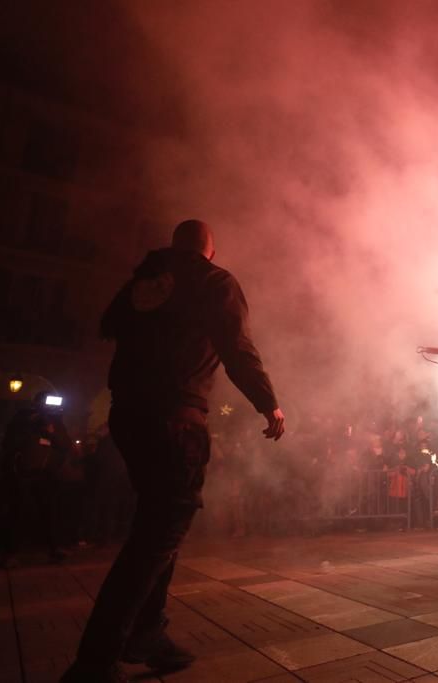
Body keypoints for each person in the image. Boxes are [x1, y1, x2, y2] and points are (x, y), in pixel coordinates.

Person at [62, 220, 285, 683]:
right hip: (175, 418)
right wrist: (269, 403)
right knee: (155, 536)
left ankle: (146, 632)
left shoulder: (146, 282)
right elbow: (236, 345)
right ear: (209, 247)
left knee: (158, 523)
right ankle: (96, 660)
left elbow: (111, 326)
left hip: (129, 414)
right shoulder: (214, 281)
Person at [0, 391, 72, 566]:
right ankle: (11, 553)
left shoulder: (56, 422)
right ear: (37, 402)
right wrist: (31, 424)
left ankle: (54, 549)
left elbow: (65, 445)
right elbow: (9, 441)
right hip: (21, 472)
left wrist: (51, 433)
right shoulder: (24, 417)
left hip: (45, 474)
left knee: (48, 512)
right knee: (17, 512)